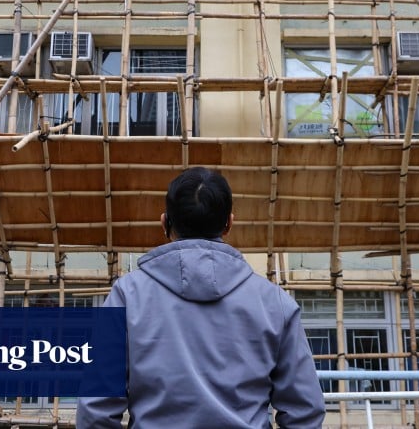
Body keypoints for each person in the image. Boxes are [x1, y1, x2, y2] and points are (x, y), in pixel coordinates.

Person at [77, 167, 325, 428]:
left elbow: (96, 409)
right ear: (229, 222)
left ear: (165, 223)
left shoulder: (127, 295)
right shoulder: (275, 303)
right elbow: (304, 411)